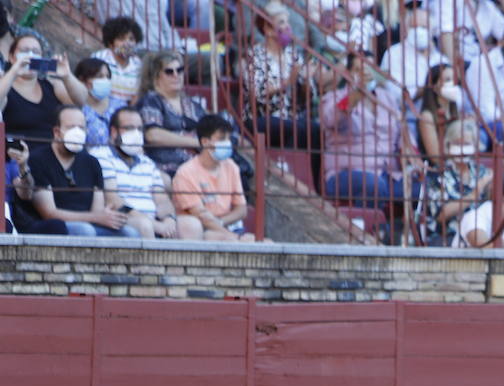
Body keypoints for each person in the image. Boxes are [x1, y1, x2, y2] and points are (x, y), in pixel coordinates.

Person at [27, 105, 138, 237]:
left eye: (81, 128)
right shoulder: (38, 160)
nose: (77, 133)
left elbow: (96, 211)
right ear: (57, 132)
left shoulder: (92, 163)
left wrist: (107, 216)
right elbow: (49, 213)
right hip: (54, 227)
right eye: (71, 127)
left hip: (89, 224)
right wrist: (96, 217)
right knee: (85, 230)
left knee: (129, 233)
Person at [320, 51, 410, 210]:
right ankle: (369, 230)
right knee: (373, 184)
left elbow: (403, 135)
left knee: (422, 189)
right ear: (348, 73)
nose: (366, 74)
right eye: (359, 70)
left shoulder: (388, 99)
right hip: (346, 174)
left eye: (370, 70)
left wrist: (411, 158)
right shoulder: (334, 97)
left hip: (386, 173)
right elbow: (331, 119)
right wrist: (357, 92)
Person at [96, 106, 200, 239]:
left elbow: (162, 199)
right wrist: (155, 225)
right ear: (114, 132)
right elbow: (113, 201)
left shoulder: (148, 163)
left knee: (192, 225)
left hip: (153, 220)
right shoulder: (101, 156)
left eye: (139, 129)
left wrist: (169, 219)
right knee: (144, 225)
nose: (136, 133)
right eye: (129, 128)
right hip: (125, 219)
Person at [245, 1, 323, 152]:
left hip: (291, 117)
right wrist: (287, 82)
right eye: (281, 22)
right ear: (267, 29)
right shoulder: (255, 55)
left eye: (287, 22)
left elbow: (307, 98)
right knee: (293, 127)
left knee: (316, 130)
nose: (287, 27)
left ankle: (310, 175)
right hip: (263, 117)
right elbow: (256, 94)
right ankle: (283, 167)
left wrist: (306, 80)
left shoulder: (292, 55)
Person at [172, 114, 255, 241]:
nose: (227, 143)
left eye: (228, 139)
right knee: (231, 241)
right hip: (201, 230)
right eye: (221, 139)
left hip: (226, 226)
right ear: (205, 142)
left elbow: (241, 209)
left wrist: (221, 222)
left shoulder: (231, 166)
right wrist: (235, 238)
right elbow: (201, 216)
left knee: (267, 243)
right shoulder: (185, 172)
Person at [135, 50, 212, 177]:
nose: (176, 75)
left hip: (200, 166)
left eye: (179, 70)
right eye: (169, 72)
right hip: (167, 168)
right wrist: (195, 142)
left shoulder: (192, 104)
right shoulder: (151, 100)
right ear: (156, 77)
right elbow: (153, 135)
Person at [417, 118, 490, 244]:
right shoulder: (437, 174)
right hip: (447, 236)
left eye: (466, 144)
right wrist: (473, 194)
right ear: (448, 145)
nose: (462, 149)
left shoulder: (483, 172)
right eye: (457, 144)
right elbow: (441, 215)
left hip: (480, 234)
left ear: (475, 145)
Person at [2, 36, 87, 141]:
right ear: (11, 57)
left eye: (36, 51)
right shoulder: (5, 84)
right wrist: (14, 72)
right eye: (25, 51)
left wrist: (67, 76)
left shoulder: (52, 85)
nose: (30, 55)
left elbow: (80, 101)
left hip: (53, 151)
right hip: (19, 152)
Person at [4, 136, 68, 234]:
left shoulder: (7, 161)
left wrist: (23, 166)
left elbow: (26, 194)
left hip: (12, 222)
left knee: (56, 226)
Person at [381, 6, 448, 98]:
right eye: (414, 26)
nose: (419, 31)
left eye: (424, 27)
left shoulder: (440, 59)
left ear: (432, 31)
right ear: (407, 29)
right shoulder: (393, 54)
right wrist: (423, 91)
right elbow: (394, 93)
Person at [416, 63, 461, 168]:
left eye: (455, 80)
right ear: (434, 86)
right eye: (448, 80)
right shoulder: (427, 116)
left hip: (457, 166)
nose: (454, 84)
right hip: (437, 171)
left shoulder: (455, 111)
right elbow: (435, 157)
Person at [92, 16, 142, 105]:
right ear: (111, 43)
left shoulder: (138, 65)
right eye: (121, 39)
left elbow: (136, 97)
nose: (127, 43)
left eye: (131, 39)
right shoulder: (99, 58)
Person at [75, 57, 118, 151]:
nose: (105, 80)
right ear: (82, 80)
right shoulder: (76, 109)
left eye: (108, 77)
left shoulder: (118, 106)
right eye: (100, 76)